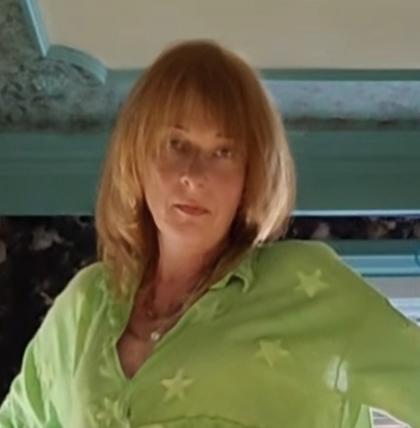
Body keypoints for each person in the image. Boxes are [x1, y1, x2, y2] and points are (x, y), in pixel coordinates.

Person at [0, 38, 419, 428]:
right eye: (176, 144)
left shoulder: (305, 287)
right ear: (137, 156)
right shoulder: (83, 308)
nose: (194, 176)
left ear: (251, 174)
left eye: (223, 152)